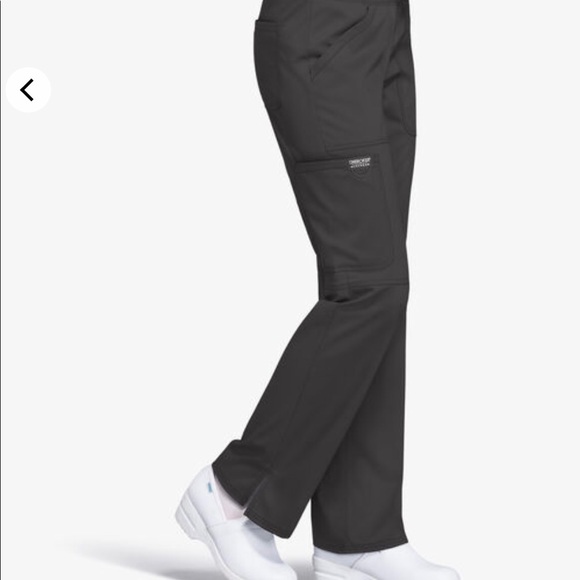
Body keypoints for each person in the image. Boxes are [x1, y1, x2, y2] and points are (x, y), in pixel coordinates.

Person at [176, 0, 460, 578]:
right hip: (324, 31)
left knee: (384, 283)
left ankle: (359, 534)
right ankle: (231, 492)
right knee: (369, 285)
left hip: (385, 27)